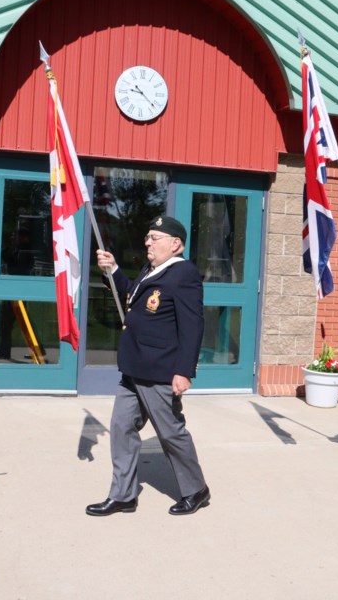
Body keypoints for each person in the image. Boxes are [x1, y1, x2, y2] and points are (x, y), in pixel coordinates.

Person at [86, 216, 210, 516]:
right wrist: (113, 269)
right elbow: (132, 296)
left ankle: (196, 490)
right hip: (134, 367)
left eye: (155, 237)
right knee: (121, 428)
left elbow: (193, 326)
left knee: (170, 433)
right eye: (147, 236)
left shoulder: (184, 273)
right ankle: (123, 495)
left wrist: (184, 371)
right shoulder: (152, 269)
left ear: (175, 243)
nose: (148, 242)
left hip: (160, 369)